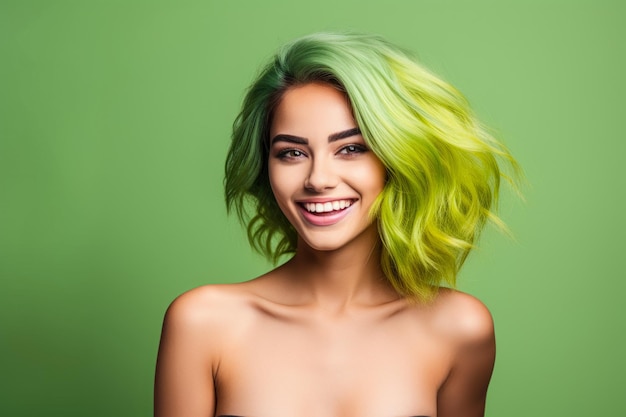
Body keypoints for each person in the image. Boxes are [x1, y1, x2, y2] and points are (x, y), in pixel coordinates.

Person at [154, 32, 519, 417]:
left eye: (351, 148)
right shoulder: (204, 323)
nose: (318, 179)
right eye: (292, 153)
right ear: (266, 166)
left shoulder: (459, 328)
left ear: (398, 160)